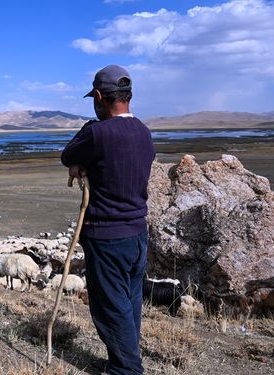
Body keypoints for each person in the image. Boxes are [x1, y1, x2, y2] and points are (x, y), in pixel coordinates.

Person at [61, 65, 155, 375]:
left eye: (94, 99)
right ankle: (121, 361)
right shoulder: (144, 131)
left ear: (99, 97)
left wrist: (86, 136)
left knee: (110, 309)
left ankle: (127, 370)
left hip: (107, 237)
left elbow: (67, 154)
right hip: (138, 234)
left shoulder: (97, 132)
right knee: (127, 306)